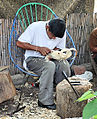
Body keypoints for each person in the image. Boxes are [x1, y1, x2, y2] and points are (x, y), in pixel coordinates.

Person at [16, 18, 71, 110]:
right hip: (33, 59)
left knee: (64, 65)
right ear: (47, 27)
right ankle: (44, 101)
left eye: (56, 37)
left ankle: (61, 95)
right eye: (52, 35)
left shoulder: (61, 32)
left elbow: (59, 48)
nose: (54, 38)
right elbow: (19, 43)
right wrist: (38, 48)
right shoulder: (35, 27)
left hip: (51, 57)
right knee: (49, 66)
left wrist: (54, 53)